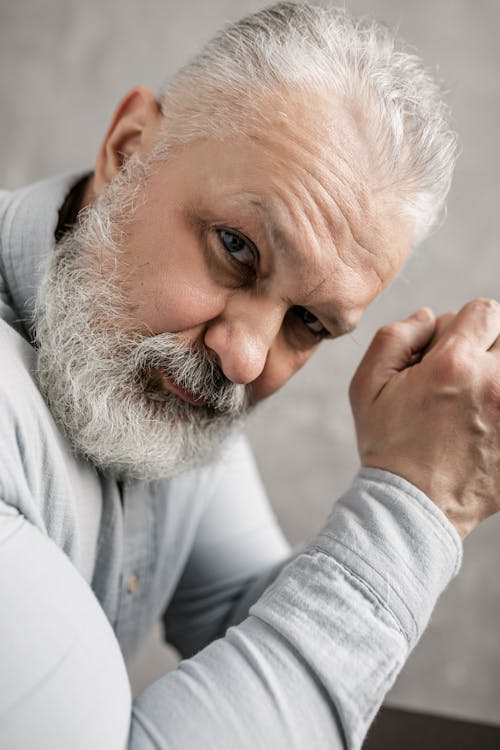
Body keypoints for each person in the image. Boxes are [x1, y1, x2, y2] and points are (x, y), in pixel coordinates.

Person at [1, 3, 499, 748]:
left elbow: (239, 616)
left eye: (309, 324)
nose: (245, 358)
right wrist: (415, 509)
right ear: (130, 150)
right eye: (237, 248)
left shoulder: (151, 370)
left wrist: (422, 457)